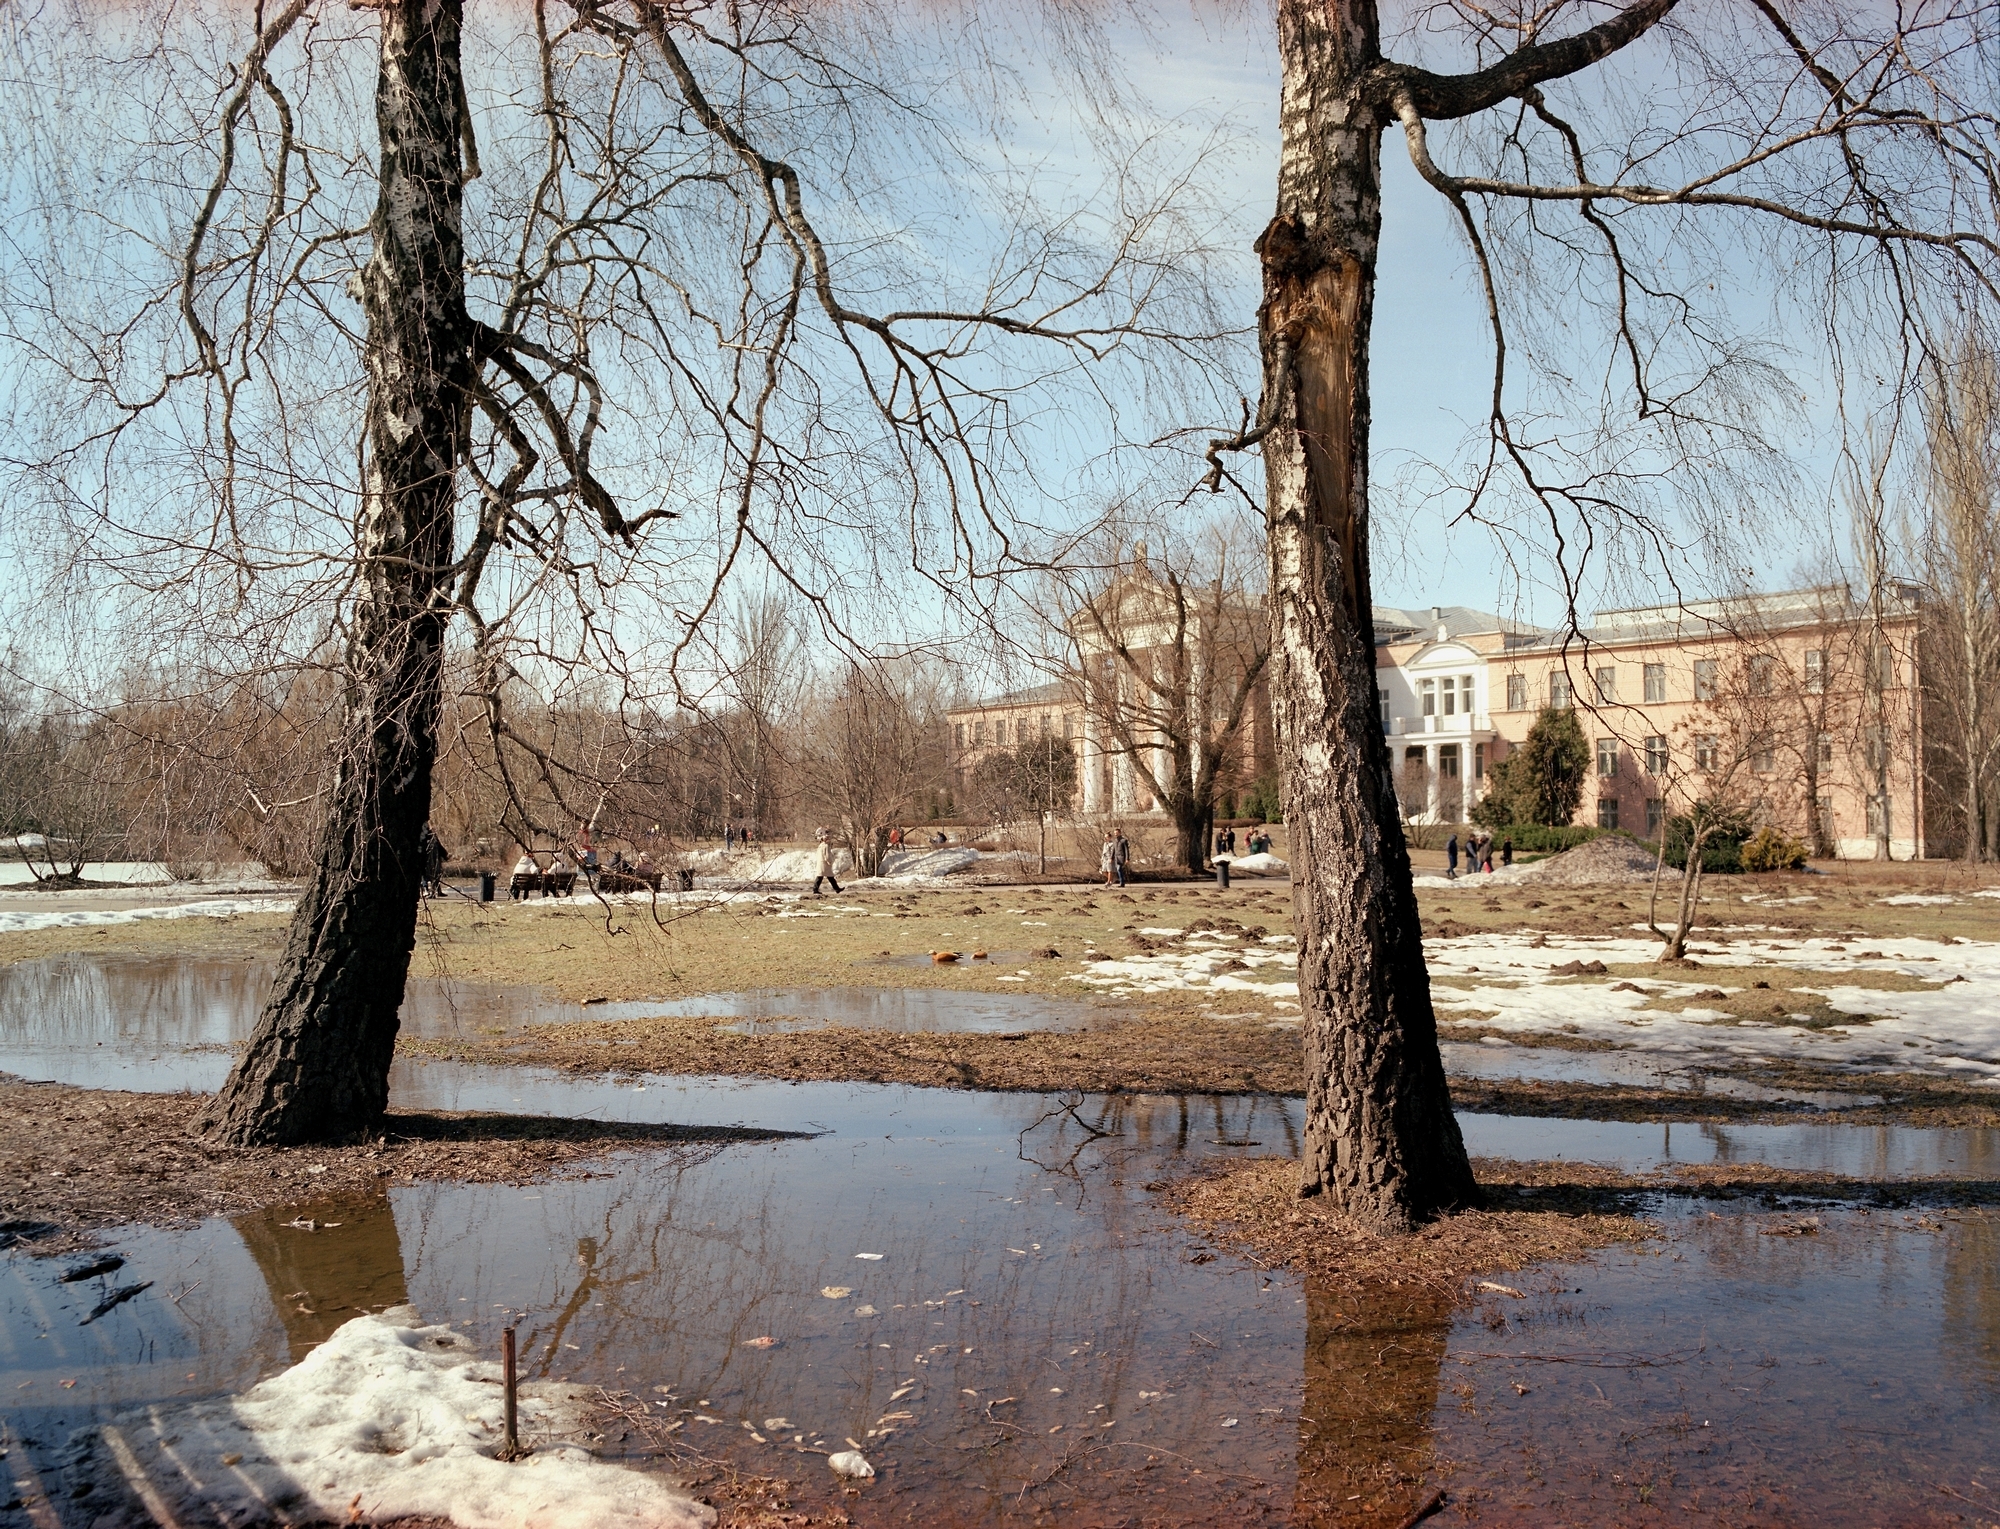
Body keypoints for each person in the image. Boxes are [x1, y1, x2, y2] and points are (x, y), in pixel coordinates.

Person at [812, 827, 842, 896]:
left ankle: (837, 889)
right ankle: (815, 889)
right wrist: (829, 861)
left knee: (827, 877)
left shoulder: (820, 846)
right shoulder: (826, 846)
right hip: (825, 864)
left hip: (821, 863)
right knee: (822, 877)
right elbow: (827, 855)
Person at [420, 823, 445, 898]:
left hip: (432, 859)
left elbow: (439, 846)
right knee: (426, 875)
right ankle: (428, 891)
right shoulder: (424, 837)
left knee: (433, 875)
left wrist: (445, 855)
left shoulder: (430, 836)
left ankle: (435, 891)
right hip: (428, 860)